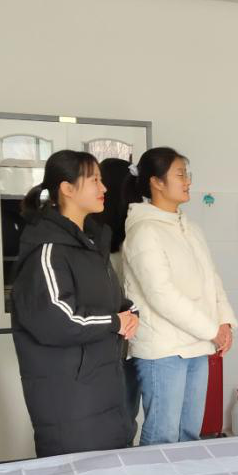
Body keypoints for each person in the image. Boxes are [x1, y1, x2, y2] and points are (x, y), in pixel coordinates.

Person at [11, 150, 138, 458]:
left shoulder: (90, 244)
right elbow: (57, 319)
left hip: (102, 386)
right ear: (67, 188)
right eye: (94, 180)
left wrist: (129, 312)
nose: (104, 188)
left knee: (110, 472)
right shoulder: (48, 250)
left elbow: (108, 300)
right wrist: (115, 322)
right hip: (70, 395)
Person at [122, 147, 238, 445]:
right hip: (163, 349)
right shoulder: (144, 231)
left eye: (187, 174)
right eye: (180, 175)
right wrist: (212, 329)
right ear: (156, 182)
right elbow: (161, 295)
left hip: (197, 344)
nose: (188, 181)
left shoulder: (190, 227)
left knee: (189, 433)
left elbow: (211, 278)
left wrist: (224, 322)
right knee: (163, 435)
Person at [96, 157, 140, 432]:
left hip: (104, 335)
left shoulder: (93, 233)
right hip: (129, 334)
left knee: (110, 417)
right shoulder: (134, 231)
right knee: (126, 415)